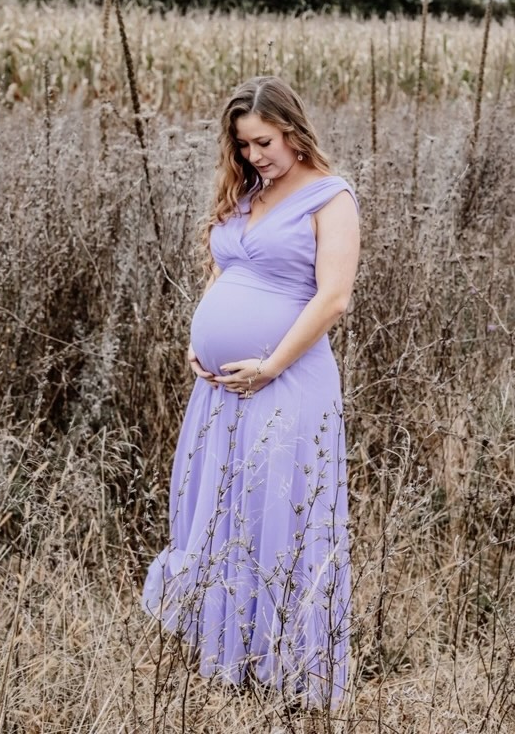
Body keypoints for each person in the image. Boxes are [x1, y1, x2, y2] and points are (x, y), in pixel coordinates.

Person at [142, 75, 360, 709]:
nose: (253, 156)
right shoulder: (249, 194)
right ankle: (229, 655)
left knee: (276, 509)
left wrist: (268, 365)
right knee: (222, 509)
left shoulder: (329, 197)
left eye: (262, 142)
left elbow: (333, 297)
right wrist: (199, 335)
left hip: (285, 382)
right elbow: (224, 268)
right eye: (242, 146)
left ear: (292, 129)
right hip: (220, 388)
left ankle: (286, 667)